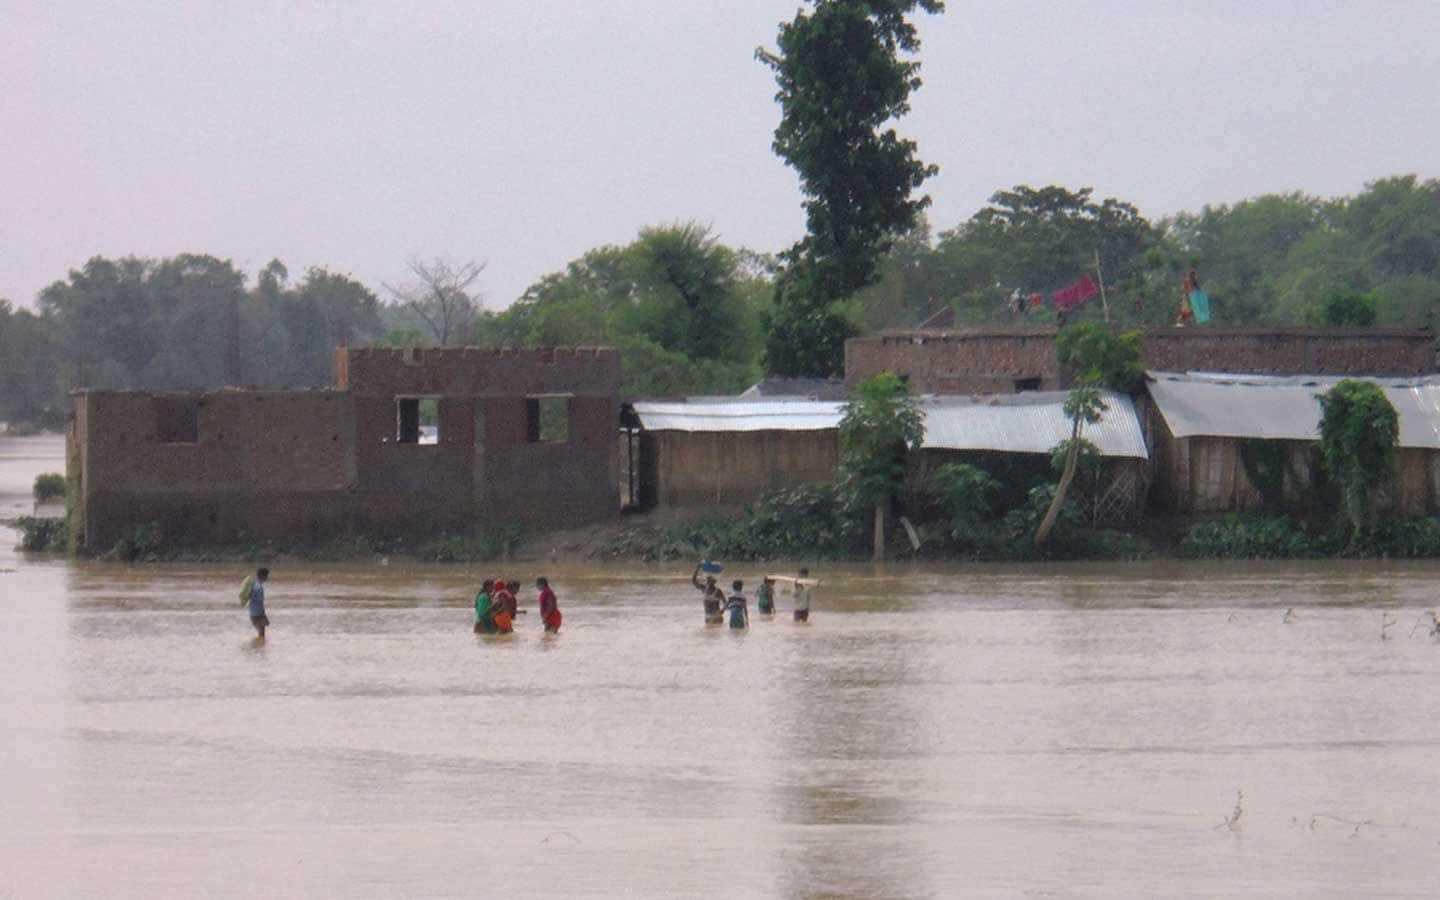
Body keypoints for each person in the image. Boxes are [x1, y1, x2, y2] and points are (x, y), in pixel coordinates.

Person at [240, 567, 270, 637]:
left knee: (261, 633)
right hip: (258, 613)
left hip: (252, 611)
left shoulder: (254, 583)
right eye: (266, 576)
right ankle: (258, 647)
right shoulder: (258, 587)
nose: (267, 578)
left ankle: (258, 646)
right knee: (261, 634)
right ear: (263, 576)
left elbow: (250, 596)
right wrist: (263, 613)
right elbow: (259, 601)